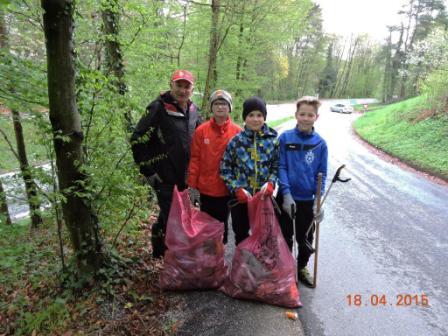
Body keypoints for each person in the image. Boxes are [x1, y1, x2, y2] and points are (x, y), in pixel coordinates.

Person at [131, 70, 202, 258]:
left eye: (187, 86)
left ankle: (161, 251)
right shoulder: (158, 108)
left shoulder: (194, 111)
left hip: (186, 177)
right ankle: (173, 259)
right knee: (173, 217)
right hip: (164, 177)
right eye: (179, 85)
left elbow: (201, 141)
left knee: (172, 216)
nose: (183, 90)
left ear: (192, 89)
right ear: (171, 85)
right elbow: (137, 139)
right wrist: (148, 171)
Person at [277, 96, 328, 287]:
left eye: (310, 115)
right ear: (296, 115)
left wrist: (318, 202)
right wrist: (286, 193)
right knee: (285, 236)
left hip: (307, 200)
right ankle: (285, 267)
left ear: (316, 117)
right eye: (302, 114)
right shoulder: (285, 138)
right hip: (287, 198)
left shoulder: (320, 144)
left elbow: (321, 174)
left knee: (305, 237)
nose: (306, 118)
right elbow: (281, 166)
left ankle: (301, 267)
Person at [220, 96, 279, 245]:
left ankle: (261, 261)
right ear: (245, 118)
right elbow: (225, 169)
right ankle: (242, 263)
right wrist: (236, 189)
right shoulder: (236, 141)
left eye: (259, 115)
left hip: (263, 198)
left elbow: (277, 165)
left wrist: (271, 182)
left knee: (263, 232)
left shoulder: (272, 140)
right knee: (241, 232)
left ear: (264, 117)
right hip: (241, 199)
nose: (255, 119)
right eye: (251, 115)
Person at [187, 90, 241, 244]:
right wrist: (192, 186)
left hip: (227, 190)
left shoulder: (237, 132)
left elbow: (242, 164)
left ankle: (219, 258)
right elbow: (195, 159)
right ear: (211, 107)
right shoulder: (201, 131)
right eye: (216, 104)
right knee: (206, 227)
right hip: (206, 189)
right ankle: (209, 259)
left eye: (224, 104)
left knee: (222, 226)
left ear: (229, 107)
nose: (220, 107)